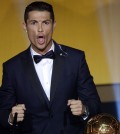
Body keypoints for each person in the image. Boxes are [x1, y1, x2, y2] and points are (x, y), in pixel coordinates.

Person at [0, 1, 101, 134]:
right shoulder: (12, 67)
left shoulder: (75, 59)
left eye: (46, 23)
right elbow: (2, 111)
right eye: (34, 23)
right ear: (25, 26)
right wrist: (11, 117)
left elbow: (94, 103)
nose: (40, 29)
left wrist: (84, 110)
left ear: (54, 25)